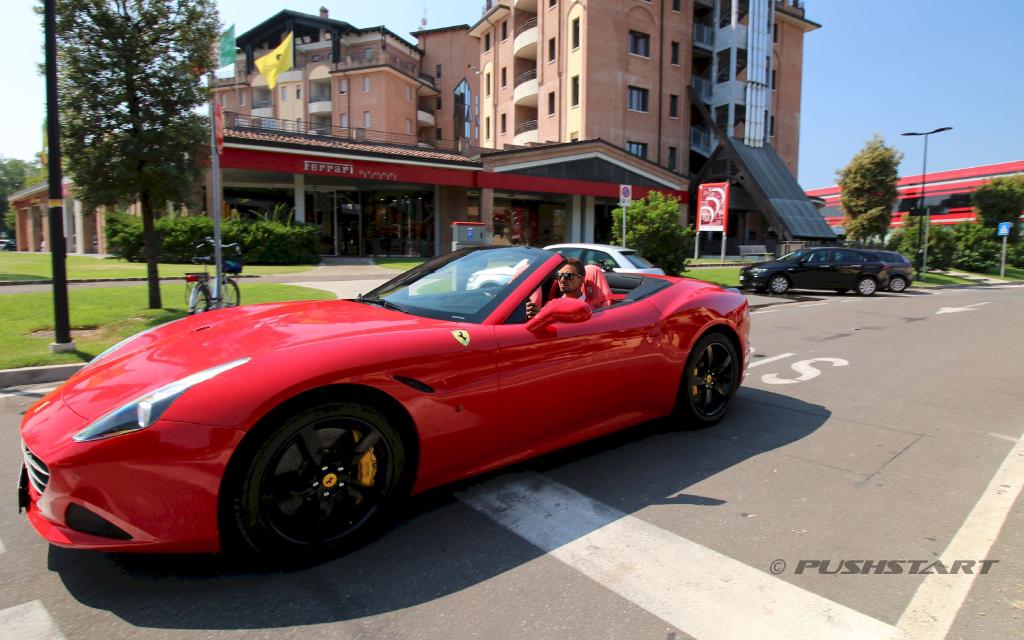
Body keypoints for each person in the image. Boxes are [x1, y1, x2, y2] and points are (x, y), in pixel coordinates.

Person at [525, 257, 590, 320]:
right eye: (559, 275)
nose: (562, 280)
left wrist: (544, 316)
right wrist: (535, 314)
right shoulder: (550, 304)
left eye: (568, 276)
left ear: (581, 280)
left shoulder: (590, 308)